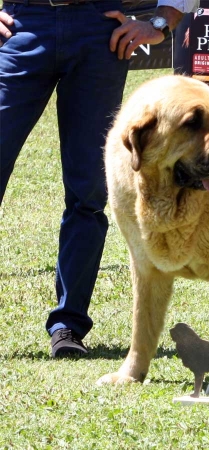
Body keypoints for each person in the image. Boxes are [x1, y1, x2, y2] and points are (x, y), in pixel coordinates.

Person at [0, 0, 131, 357]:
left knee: (88, 191)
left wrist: (165, 19)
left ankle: (68, 326)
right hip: (23, 21)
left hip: (99, 25)